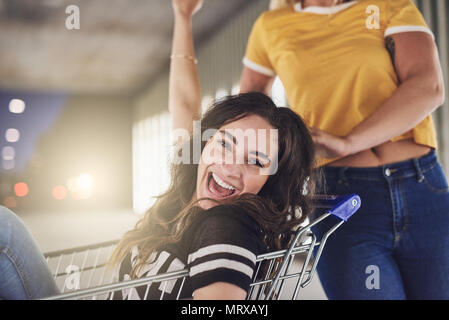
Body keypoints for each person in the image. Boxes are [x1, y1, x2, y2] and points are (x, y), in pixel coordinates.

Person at [0, 0, 317, 300]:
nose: (230, 167)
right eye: (224, 144)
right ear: (203, 144)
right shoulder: (189, 200)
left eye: (255, 161)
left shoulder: (226, 225)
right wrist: (182, 16)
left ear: (270, 180)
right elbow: (184, 104)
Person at [240, 0, 449, 299]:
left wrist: (348, 142)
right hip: (340, 202)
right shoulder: (271, 26)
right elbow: (250, 109)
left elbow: (428, 85)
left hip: (423, 188)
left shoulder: (388, 5)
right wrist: (284, 145)